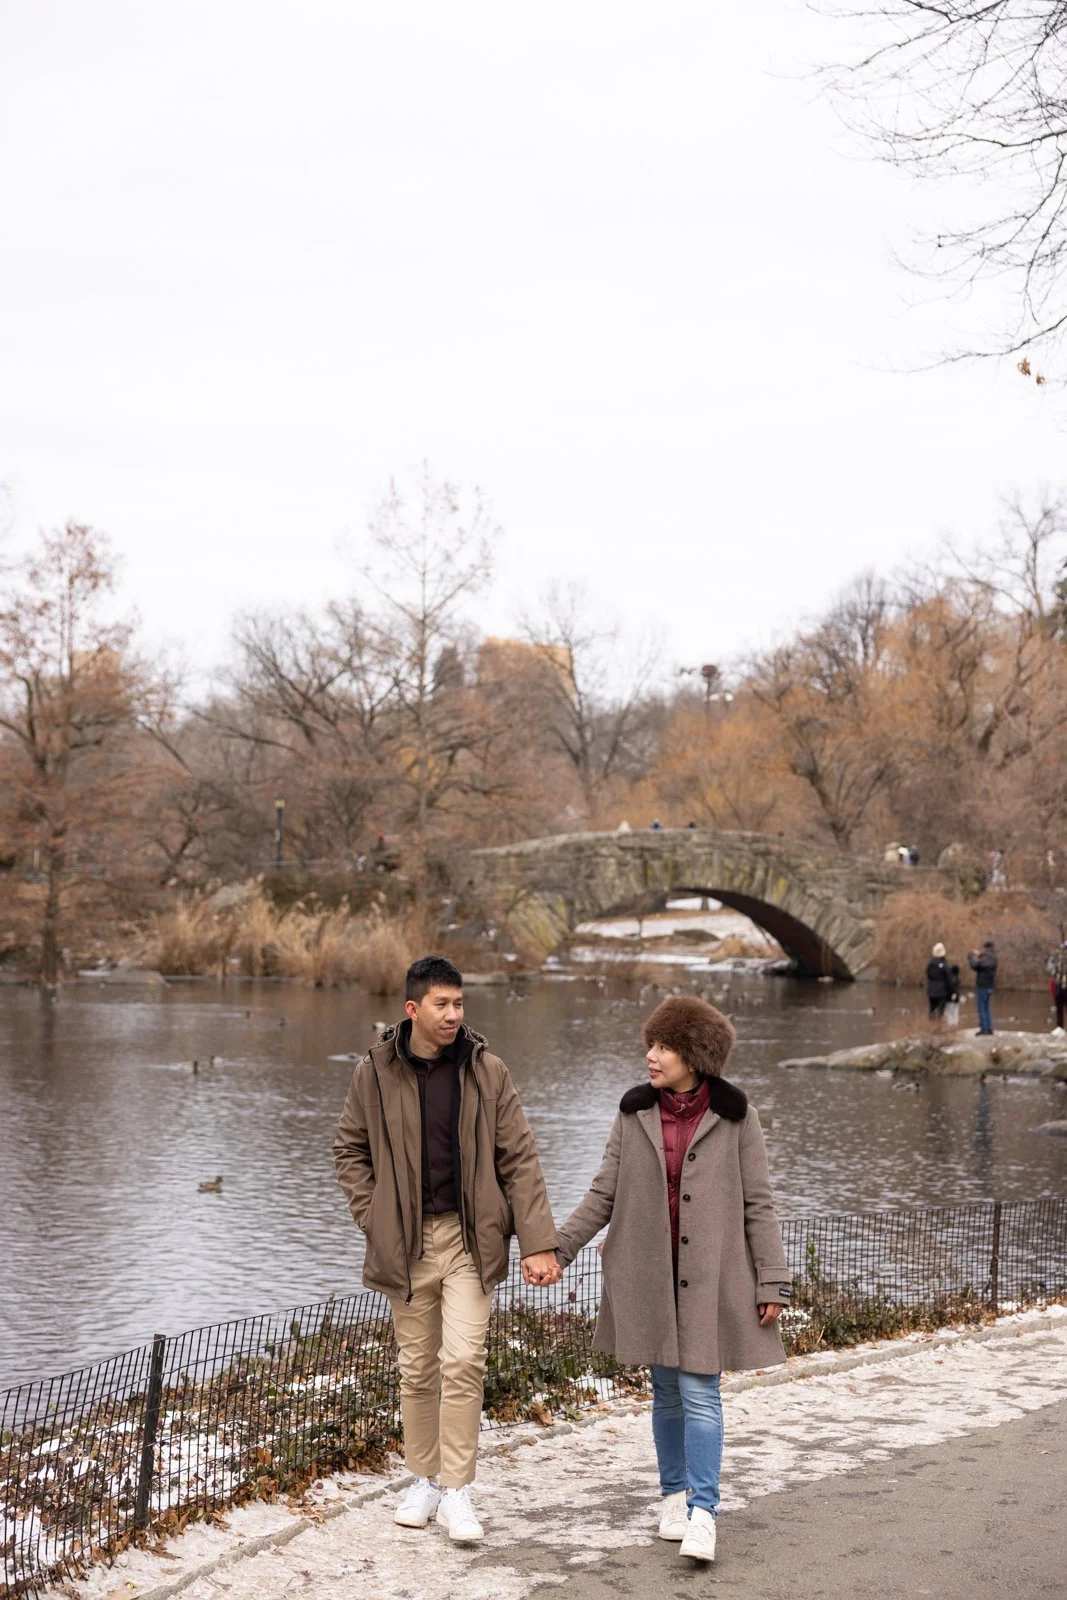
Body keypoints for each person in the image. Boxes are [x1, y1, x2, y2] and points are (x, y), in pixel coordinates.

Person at [553, 996, 791, 1567]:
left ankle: (704, 1513)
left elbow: (759, 1205)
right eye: (650, 1044)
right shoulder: (634, 1111)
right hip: (650, 1275)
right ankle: (673, 1496)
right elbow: (603, 1193)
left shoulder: (738, 1117)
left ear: (694, 1055)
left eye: (663, 1047)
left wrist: (772, 1281)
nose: (651, 1056)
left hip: (711, 1279)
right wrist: (558, 1248)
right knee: (665, 1392)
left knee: (700, 1392)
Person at [332, 956, 560, 1543]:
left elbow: (520, 1160)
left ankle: (457, 1490)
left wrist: (537, 1243)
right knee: (416, 1370)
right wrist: (373, 1217)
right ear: (413, 1009)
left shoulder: (488, 1071)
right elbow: (349, 1150)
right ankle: (423, 1479)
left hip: (469, 1242)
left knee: (462, 1361)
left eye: (460, 1004)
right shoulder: (374, 1071)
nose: (454, 1014)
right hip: (404, 1246)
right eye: (442, 1004)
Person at [968, 939, 998, 1036]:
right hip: (990, 986)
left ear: (985, 947)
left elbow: (974, 965)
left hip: (982, 986)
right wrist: (980, 955)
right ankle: (989, 1028)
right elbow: (983, 961)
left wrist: (971, 956)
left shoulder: (984, 958)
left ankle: (984, 1029)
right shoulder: (994, 958)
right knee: (987, 1007)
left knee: (981, 1007)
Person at [925, 942, 952, 1019]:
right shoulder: (944, 964)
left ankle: (931, 1025)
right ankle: (938, 1027)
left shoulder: (930, 964)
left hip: (931, 991)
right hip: (941, 992)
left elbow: (928, 975)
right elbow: (949, 978)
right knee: (940, 1011)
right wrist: (952, 991)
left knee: (932, 1009)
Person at [1046, 941, 1067, 1031]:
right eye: (1064, 948)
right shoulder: (1056, 958)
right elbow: (1049, 968)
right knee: (1059, 1008)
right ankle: (1059, 1028)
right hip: (1059, 987)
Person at [945, 963, 962, 1029]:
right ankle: (955, 1025)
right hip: (957, 998)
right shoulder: (957, 978)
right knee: (955, 1011)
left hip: (950, 998)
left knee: (949, 1012)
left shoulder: (950, 978)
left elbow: (951, 989)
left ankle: (950, 1025)